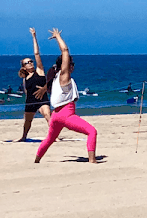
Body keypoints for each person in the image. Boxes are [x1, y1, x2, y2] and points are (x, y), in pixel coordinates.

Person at [34, 29, 100, 163]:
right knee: (92, 131)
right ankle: (92, 160)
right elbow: (65, 51)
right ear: (67, 66)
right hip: (66, 114)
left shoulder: (55, 78)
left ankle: (36, 160)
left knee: (50, 139)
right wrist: (58, 36)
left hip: (55, 116)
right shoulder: (63, 76)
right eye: (72, 65)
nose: (73, 67)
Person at [17, 28, 52, 141]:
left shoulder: (39, 71)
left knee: (48, 115)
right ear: (24, 67)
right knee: (27, 121)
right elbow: (26, 91)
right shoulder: (25, 78)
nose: (31, 63)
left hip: (42, 100)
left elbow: (37, 53)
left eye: (31, 61)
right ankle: (23, 137)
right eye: (28, 62)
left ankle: (54, 136)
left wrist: (34, 37)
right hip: (31, 101)